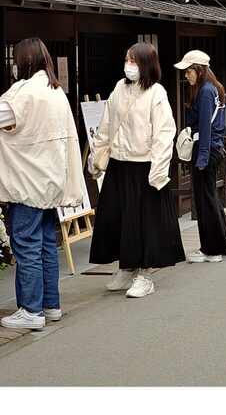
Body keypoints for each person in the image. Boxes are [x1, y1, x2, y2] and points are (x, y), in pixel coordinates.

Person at [0, 37, 85, 329]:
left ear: (26, 61)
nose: (14, 65)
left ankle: (31, 311)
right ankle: (50, 305)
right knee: (45, 244)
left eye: (17, 59)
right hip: (51, 180)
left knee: (26, 245)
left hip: (28, 183)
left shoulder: (25, 92)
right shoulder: (55, 91)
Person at [87, 42, 186, 298]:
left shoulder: (157, 93)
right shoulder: (120, 88)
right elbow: (106, 124)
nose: (128, 66)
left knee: (144, 222)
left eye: (133, 61)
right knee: (117, 218)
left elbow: (164, 133)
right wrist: (95, 155)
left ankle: (145, 274)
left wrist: (159, 168)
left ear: (145, 64)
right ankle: (127, 267)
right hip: (119, 163)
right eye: (127, 60)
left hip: (145, 166)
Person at [176, 50, 226, 262]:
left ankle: (211, 250)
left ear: (199, 71)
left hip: (206, 149)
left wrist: (201, 158)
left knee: (204, 200)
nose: (186, 75)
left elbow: (205, 127)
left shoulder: (205, 92)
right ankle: (224, 241)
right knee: (210, 198)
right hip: (214, 149)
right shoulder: (214, 89)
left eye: (189, 71)